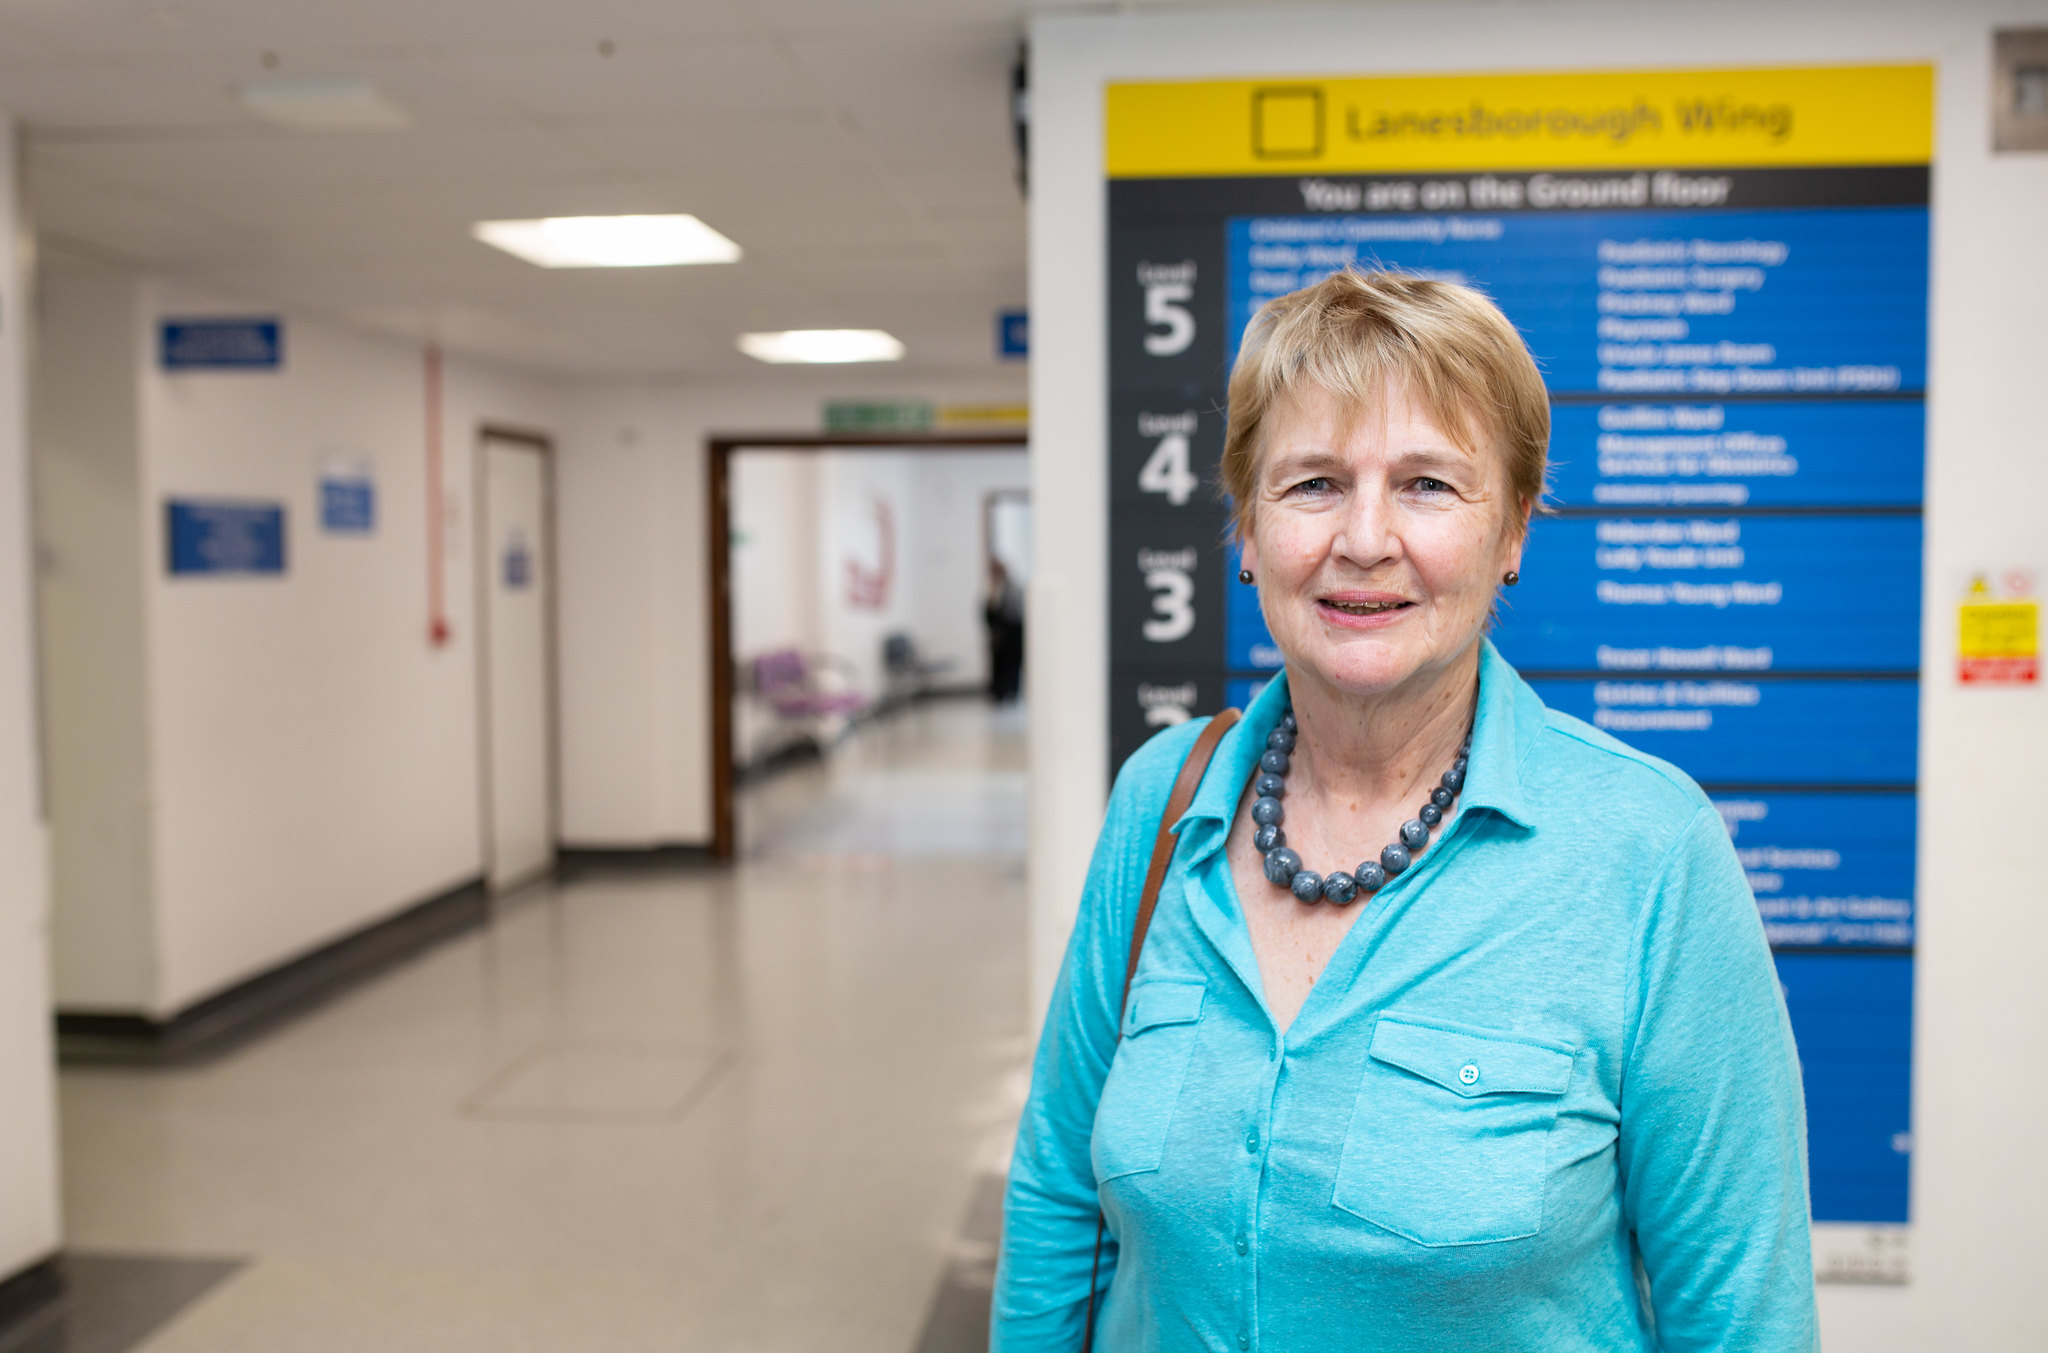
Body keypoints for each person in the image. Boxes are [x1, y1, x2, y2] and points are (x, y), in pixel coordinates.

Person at [993, 270, 1815, 1351]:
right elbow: (1058, 1200)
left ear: (1512, 531)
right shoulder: (1163, 799)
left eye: (1427, 484)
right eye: (1312, 485)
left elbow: (1740, 1317)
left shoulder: (1645, 850)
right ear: (1245, 530)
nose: (1365, 539)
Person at [986, 557, 1026, 703]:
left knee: (1012, 666)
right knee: (999, 666)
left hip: (1012, 635)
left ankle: (1011, 692)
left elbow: (1016, 613)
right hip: (999, 636)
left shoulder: (1013, 588)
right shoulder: (993, 588)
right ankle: (999, 692)